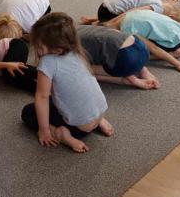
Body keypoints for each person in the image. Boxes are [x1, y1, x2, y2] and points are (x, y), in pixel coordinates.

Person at [21, 12, 113, 153]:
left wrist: (44, 130)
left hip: (78, 129)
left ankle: (61, 135)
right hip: (99, 113)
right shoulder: (76, 52)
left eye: (39, 45)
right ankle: (98, 122)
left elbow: (42, 97)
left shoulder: (47, 62)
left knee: (28, 112)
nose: (36, 49)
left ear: (57, 49)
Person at [102, 9, 180, 74]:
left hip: (171, 41)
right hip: (176, 31)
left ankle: (173, 51)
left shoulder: (128, 31)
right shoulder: (128, 15)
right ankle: (176, 47)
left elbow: (154, 48)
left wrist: (179, 64)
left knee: (136, 51)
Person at [77, 24, 159, 90]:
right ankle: (142, 68)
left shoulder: (71, 42)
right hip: (141, 47)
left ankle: (128, 80)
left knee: (82, 69)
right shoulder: (81, 27)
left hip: (126, 59)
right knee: (113, 46)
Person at [81, 0, 180, 27]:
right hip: (108, 12)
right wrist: (112, 23)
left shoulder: (158, 2)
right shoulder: (158, 9)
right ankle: (100, 23)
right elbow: (132, 12)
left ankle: (97, 19)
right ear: (170, 18)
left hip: (106, 6)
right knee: (130, 25)